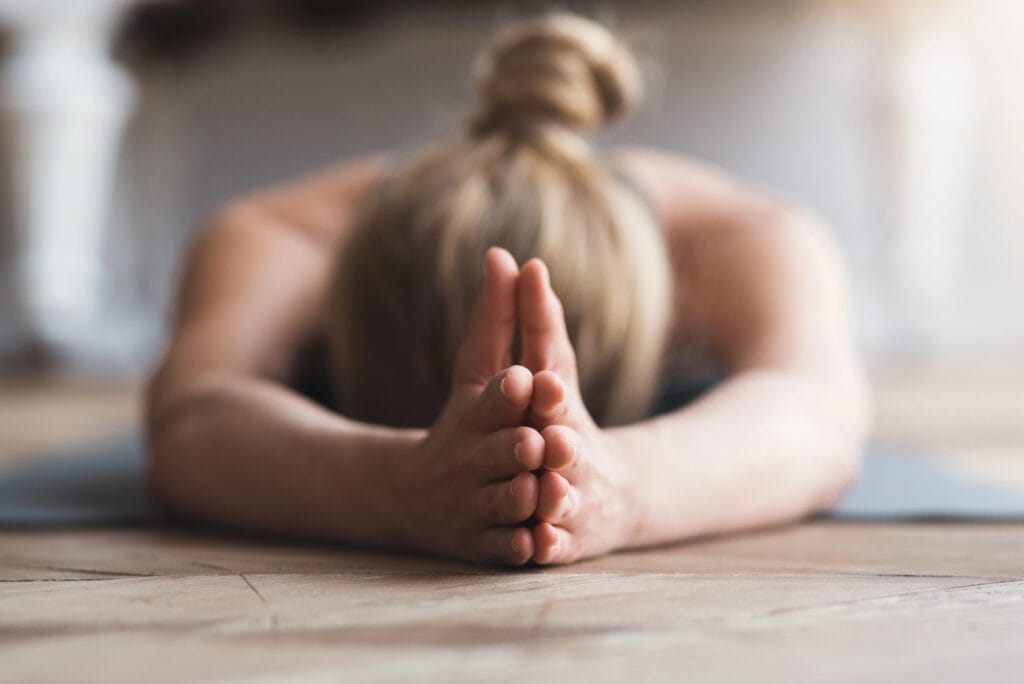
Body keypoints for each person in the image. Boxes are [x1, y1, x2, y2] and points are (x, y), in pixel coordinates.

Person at [145, 13, 870, 566]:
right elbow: (191, 421)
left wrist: (619, 486)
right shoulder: (280, 235)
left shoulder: (741, 235)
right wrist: (400, 487)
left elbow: (818, 417)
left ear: (667, 314)